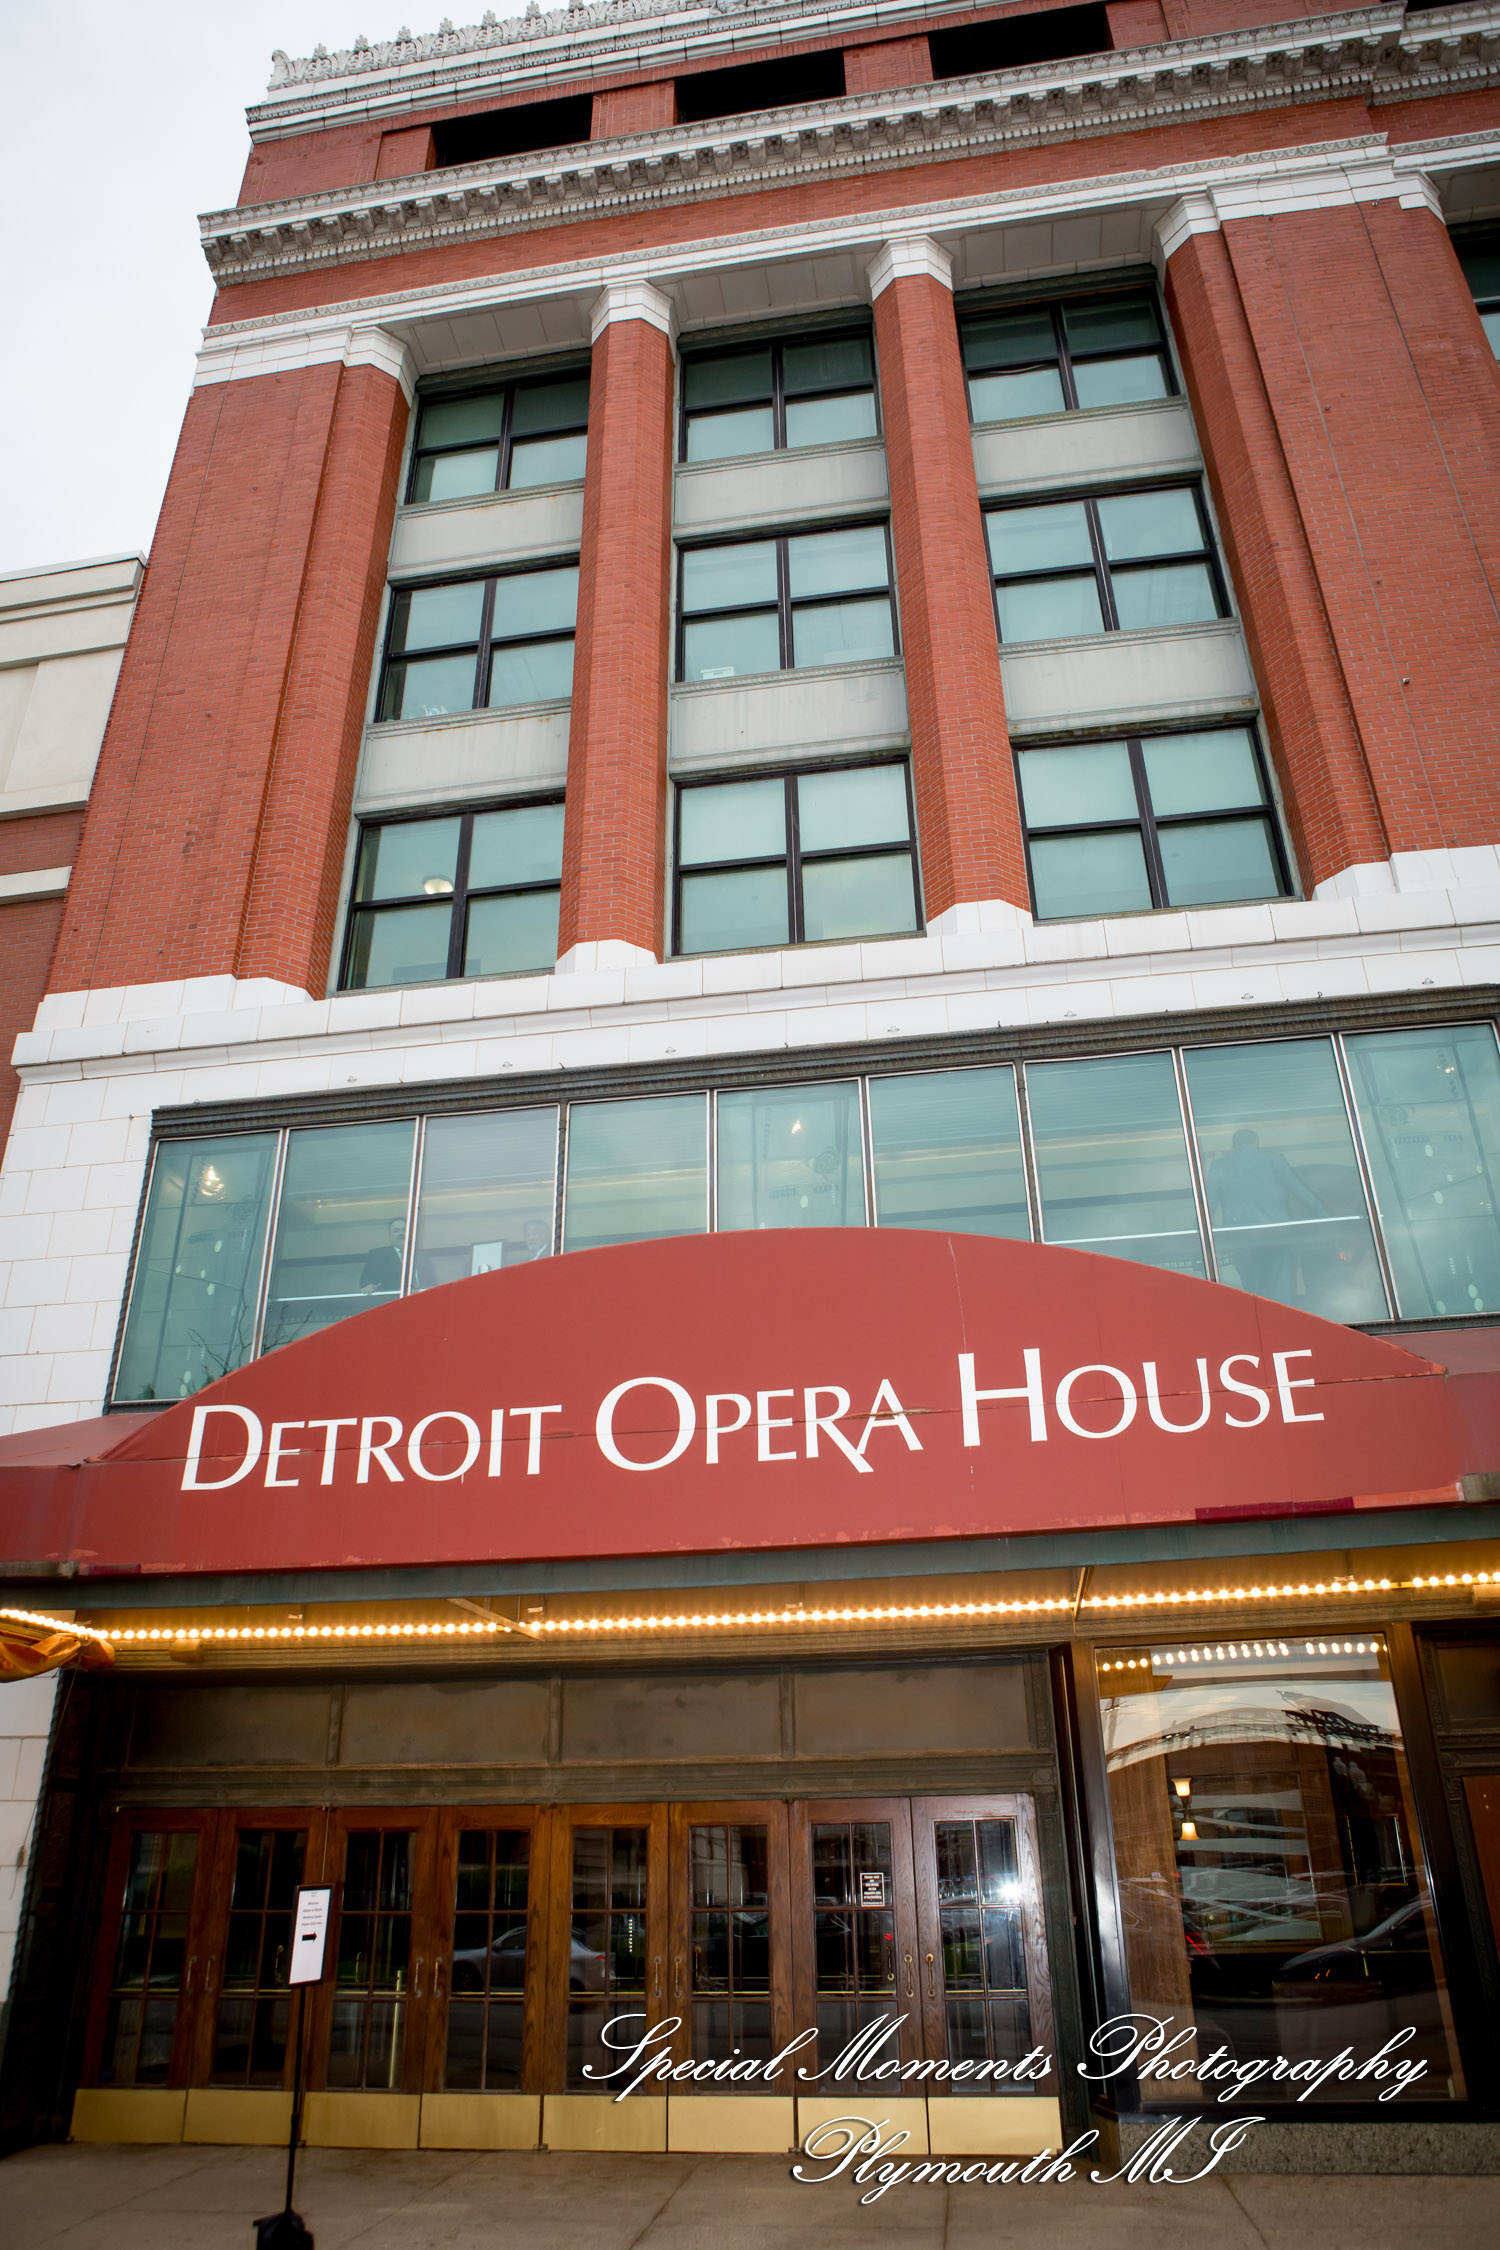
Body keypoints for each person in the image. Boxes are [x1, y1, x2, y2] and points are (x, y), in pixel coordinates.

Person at [1206, 1129, 1326, 1302]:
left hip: (1241, 1238)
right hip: (1276, 1234)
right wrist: (1320, 1211)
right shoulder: (1273, 1160)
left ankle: (1259, 1320)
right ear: (1256, 1143)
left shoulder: (1220, 1166)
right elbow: (1297, 1188)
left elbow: (1209, 1200)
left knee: (1253, 1288)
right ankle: (1281, 1321)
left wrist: (1199, 1228)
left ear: (1234, 1146)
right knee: (1280, 1284)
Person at [360, 1216, 405, 1294]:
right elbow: (365, 1281)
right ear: (389, 1236)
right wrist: (369, 1286)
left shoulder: (420, 1255)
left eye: (404, 1230)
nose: (401, 1233)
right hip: (393, 1301)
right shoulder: (378, 1255)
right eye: (396, 1231)